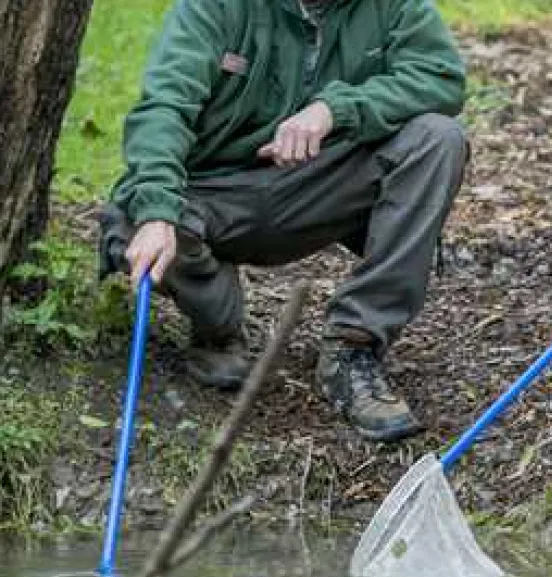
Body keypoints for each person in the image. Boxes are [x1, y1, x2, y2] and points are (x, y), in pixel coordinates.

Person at [99, 0, 469, 442]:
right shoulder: (213, 7)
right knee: (133, 219)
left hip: (316, 187)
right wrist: (158, 210)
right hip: (213, 192)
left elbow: (442, 78)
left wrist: (335, 109)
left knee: (437, 139)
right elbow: (164, 106)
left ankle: (354, 345)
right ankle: (217, 326)